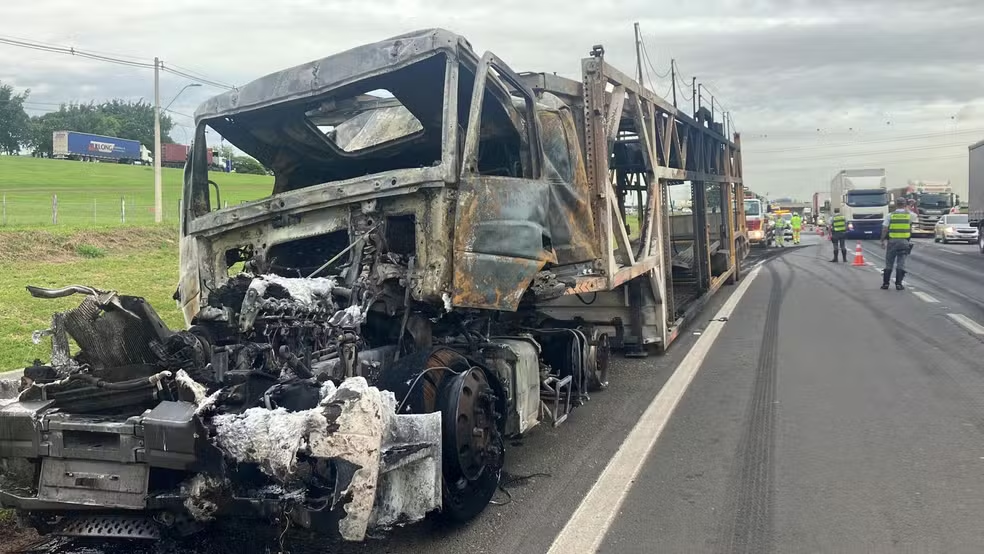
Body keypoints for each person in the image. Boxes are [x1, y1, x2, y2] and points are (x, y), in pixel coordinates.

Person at [880, 198, 912, 290]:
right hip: (904, 242)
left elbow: (885, 229)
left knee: (889, 262)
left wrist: (882, 240)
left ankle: (886, 284)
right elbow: (910, 227)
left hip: (892, 241)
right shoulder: (909, 215)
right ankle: (899, 284)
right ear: (905, 204)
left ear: (896, 204)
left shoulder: (890, 215)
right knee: (901, 262)